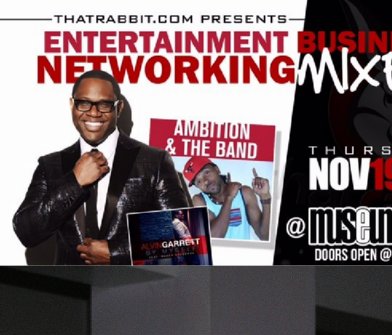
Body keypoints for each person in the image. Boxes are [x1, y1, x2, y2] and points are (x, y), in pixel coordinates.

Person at [12, 71, 191, 265]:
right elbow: (26, 231)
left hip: (134, 282)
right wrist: (74, 182)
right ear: (72, 105)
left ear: (118, 108)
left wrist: (115, 252)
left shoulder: (154, 161)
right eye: (84, 103)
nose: (94, 113)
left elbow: (185, 234)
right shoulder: (51, 165)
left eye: (104, 104)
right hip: (70, 283)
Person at [183, 159, 271, 241]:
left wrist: (265, 197)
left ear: (217, 169)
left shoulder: (244, 193)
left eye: (207, 172)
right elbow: (215, 237)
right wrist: (229, 198)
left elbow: (265, 236)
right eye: (199, 181)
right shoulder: (199, 201)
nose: (205, 181)